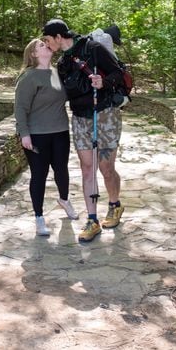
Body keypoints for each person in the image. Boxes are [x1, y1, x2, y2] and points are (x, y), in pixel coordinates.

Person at [42, 19, 125, 243]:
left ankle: (114, 205)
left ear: (59, 36)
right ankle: (92, 219)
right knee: (88, 169)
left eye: (48, 40)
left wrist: (104, 82)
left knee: (106, 168)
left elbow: (118, 74)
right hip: (80, 119)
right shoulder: (62, 63)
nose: (48, 44)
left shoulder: (93, 49)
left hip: (105, 114)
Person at [14, 38, 78, 236]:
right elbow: (20, 108)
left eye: (45, 43)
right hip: (37, 135)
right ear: (33, 54)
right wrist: (24, 134)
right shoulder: (29, 77)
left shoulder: (57, 73)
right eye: (40, 45)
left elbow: (69, 96)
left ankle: (64, 200)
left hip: (60, 131)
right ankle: (39, 217)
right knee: (39, 176)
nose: (45, 45)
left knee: (61, 171)